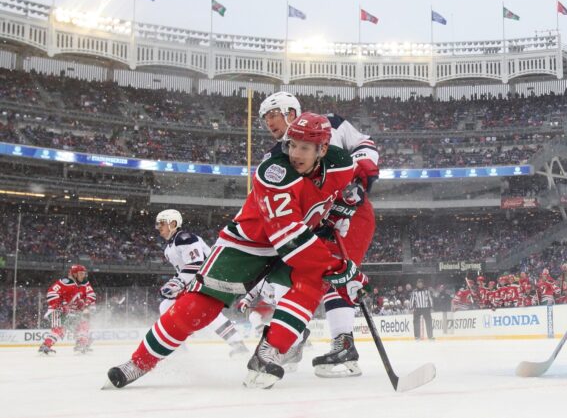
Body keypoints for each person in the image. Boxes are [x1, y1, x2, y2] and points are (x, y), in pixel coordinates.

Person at [106, 113, 370, 390]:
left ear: (323, 149)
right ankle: (138, 363)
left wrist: (348, 200)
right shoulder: (275, 172)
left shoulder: (341, 162)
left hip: (299, 237)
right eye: (292, 144)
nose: (295, 153)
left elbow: (352, 183)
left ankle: (269, 352)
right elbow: (290, 240)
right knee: (200, 306)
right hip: (251, 242)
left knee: (312, 283)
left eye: (304, 147)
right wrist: (339, 268)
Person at [251, 91, 379, 378]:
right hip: (315, 224)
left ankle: (344, 348)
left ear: (290, 111)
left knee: (339, 274)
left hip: (351, 213)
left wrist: (360, 178)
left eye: (273, 114)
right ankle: (293, 338)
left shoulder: (330, 123)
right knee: (295, 275)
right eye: (264, 119)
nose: (269, 123)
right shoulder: (275, 158)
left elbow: (364, 144)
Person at [154, 209, 248, 357]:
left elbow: (197, 264)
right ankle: (179, 345)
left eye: (162, 223)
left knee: (207, 312)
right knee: (166, 306)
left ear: (173, 223)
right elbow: (184, 270)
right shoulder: (169, 248)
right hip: (199, 280)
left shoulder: (184, 238)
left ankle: (237, 345)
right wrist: (175, 282)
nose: (158, 227)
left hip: (209, 278)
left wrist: (177, 283)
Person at [38, 264, 96, 355]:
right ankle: (45, 347)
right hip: (56, 311)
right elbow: (51, 293)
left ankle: (81, 345)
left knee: (82, 326)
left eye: (84, 273)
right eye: (81, 273)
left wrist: (85, 304)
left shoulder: (84, 283)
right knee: (59, 330)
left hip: (70, 313)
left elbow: (91, 295)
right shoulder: (65, 282)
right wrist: (60, 305)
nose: (83, 276)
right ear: (74, 274)